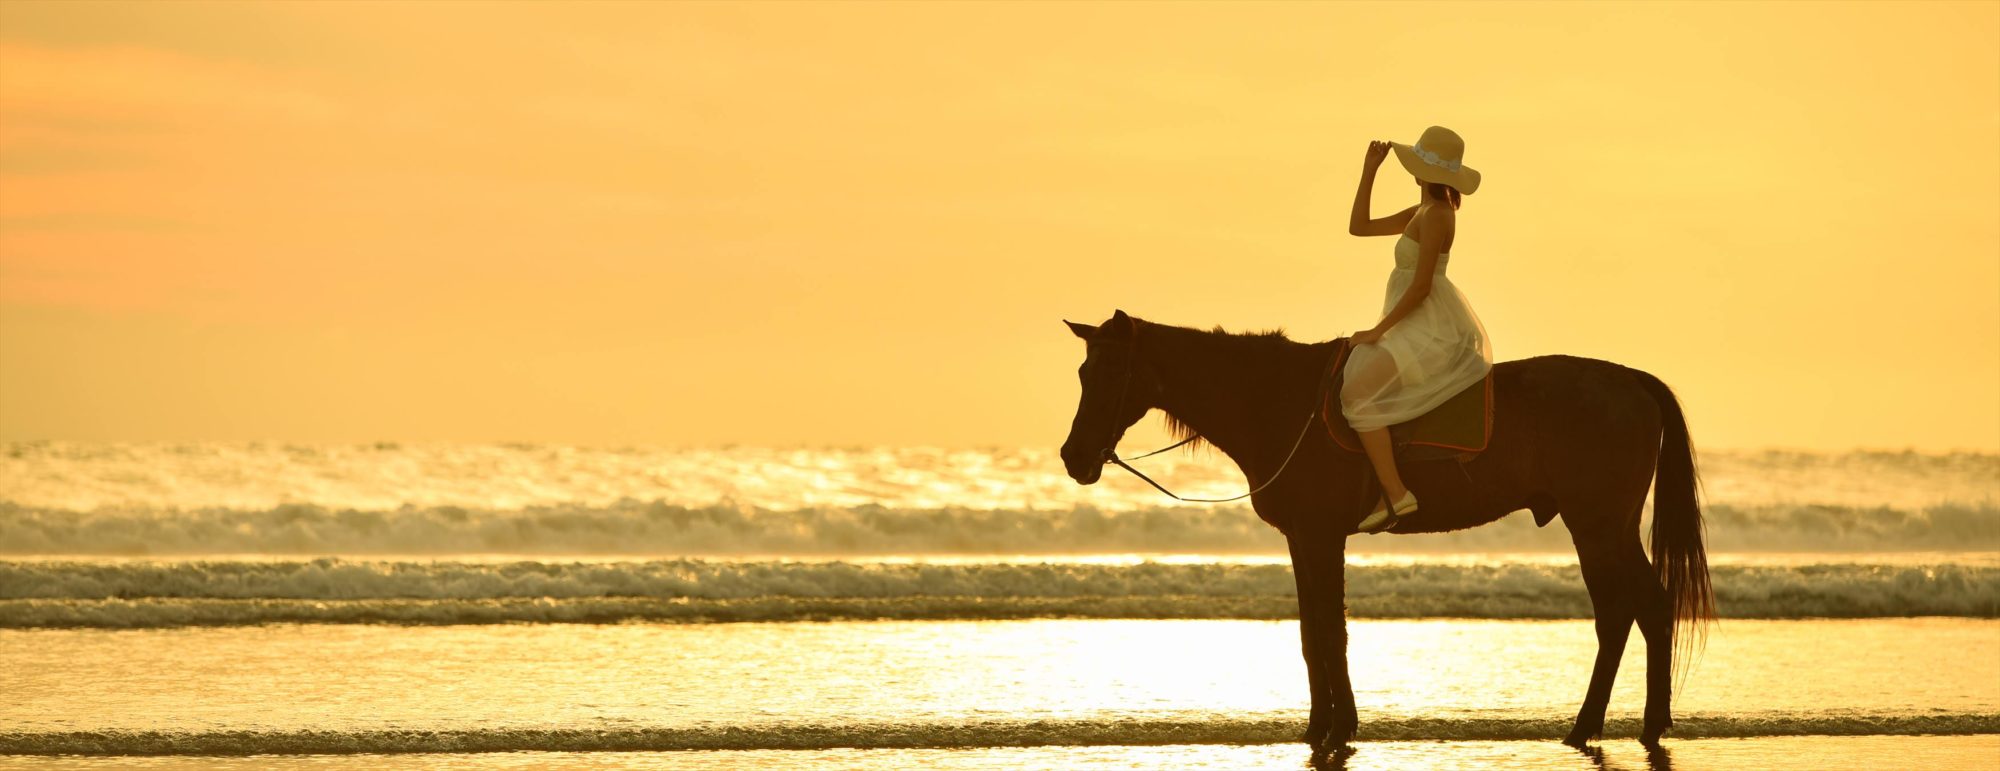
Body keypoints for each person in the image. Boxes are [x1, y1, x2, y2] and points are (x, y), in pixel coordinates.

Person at [1342, 126, 1493, 534]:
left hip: (1429, 328)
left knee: (1356, 394)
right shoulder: (1421, 212)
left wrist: (1377, 331)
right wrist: (1369, 170)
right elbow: (1359, 226)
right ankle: (1386, 489)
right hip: (1412, 322)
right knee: (1358, 384)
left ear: (1422, 171)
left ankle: (1395, 491)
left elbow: (1422, 286)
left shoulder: (1439, 215)